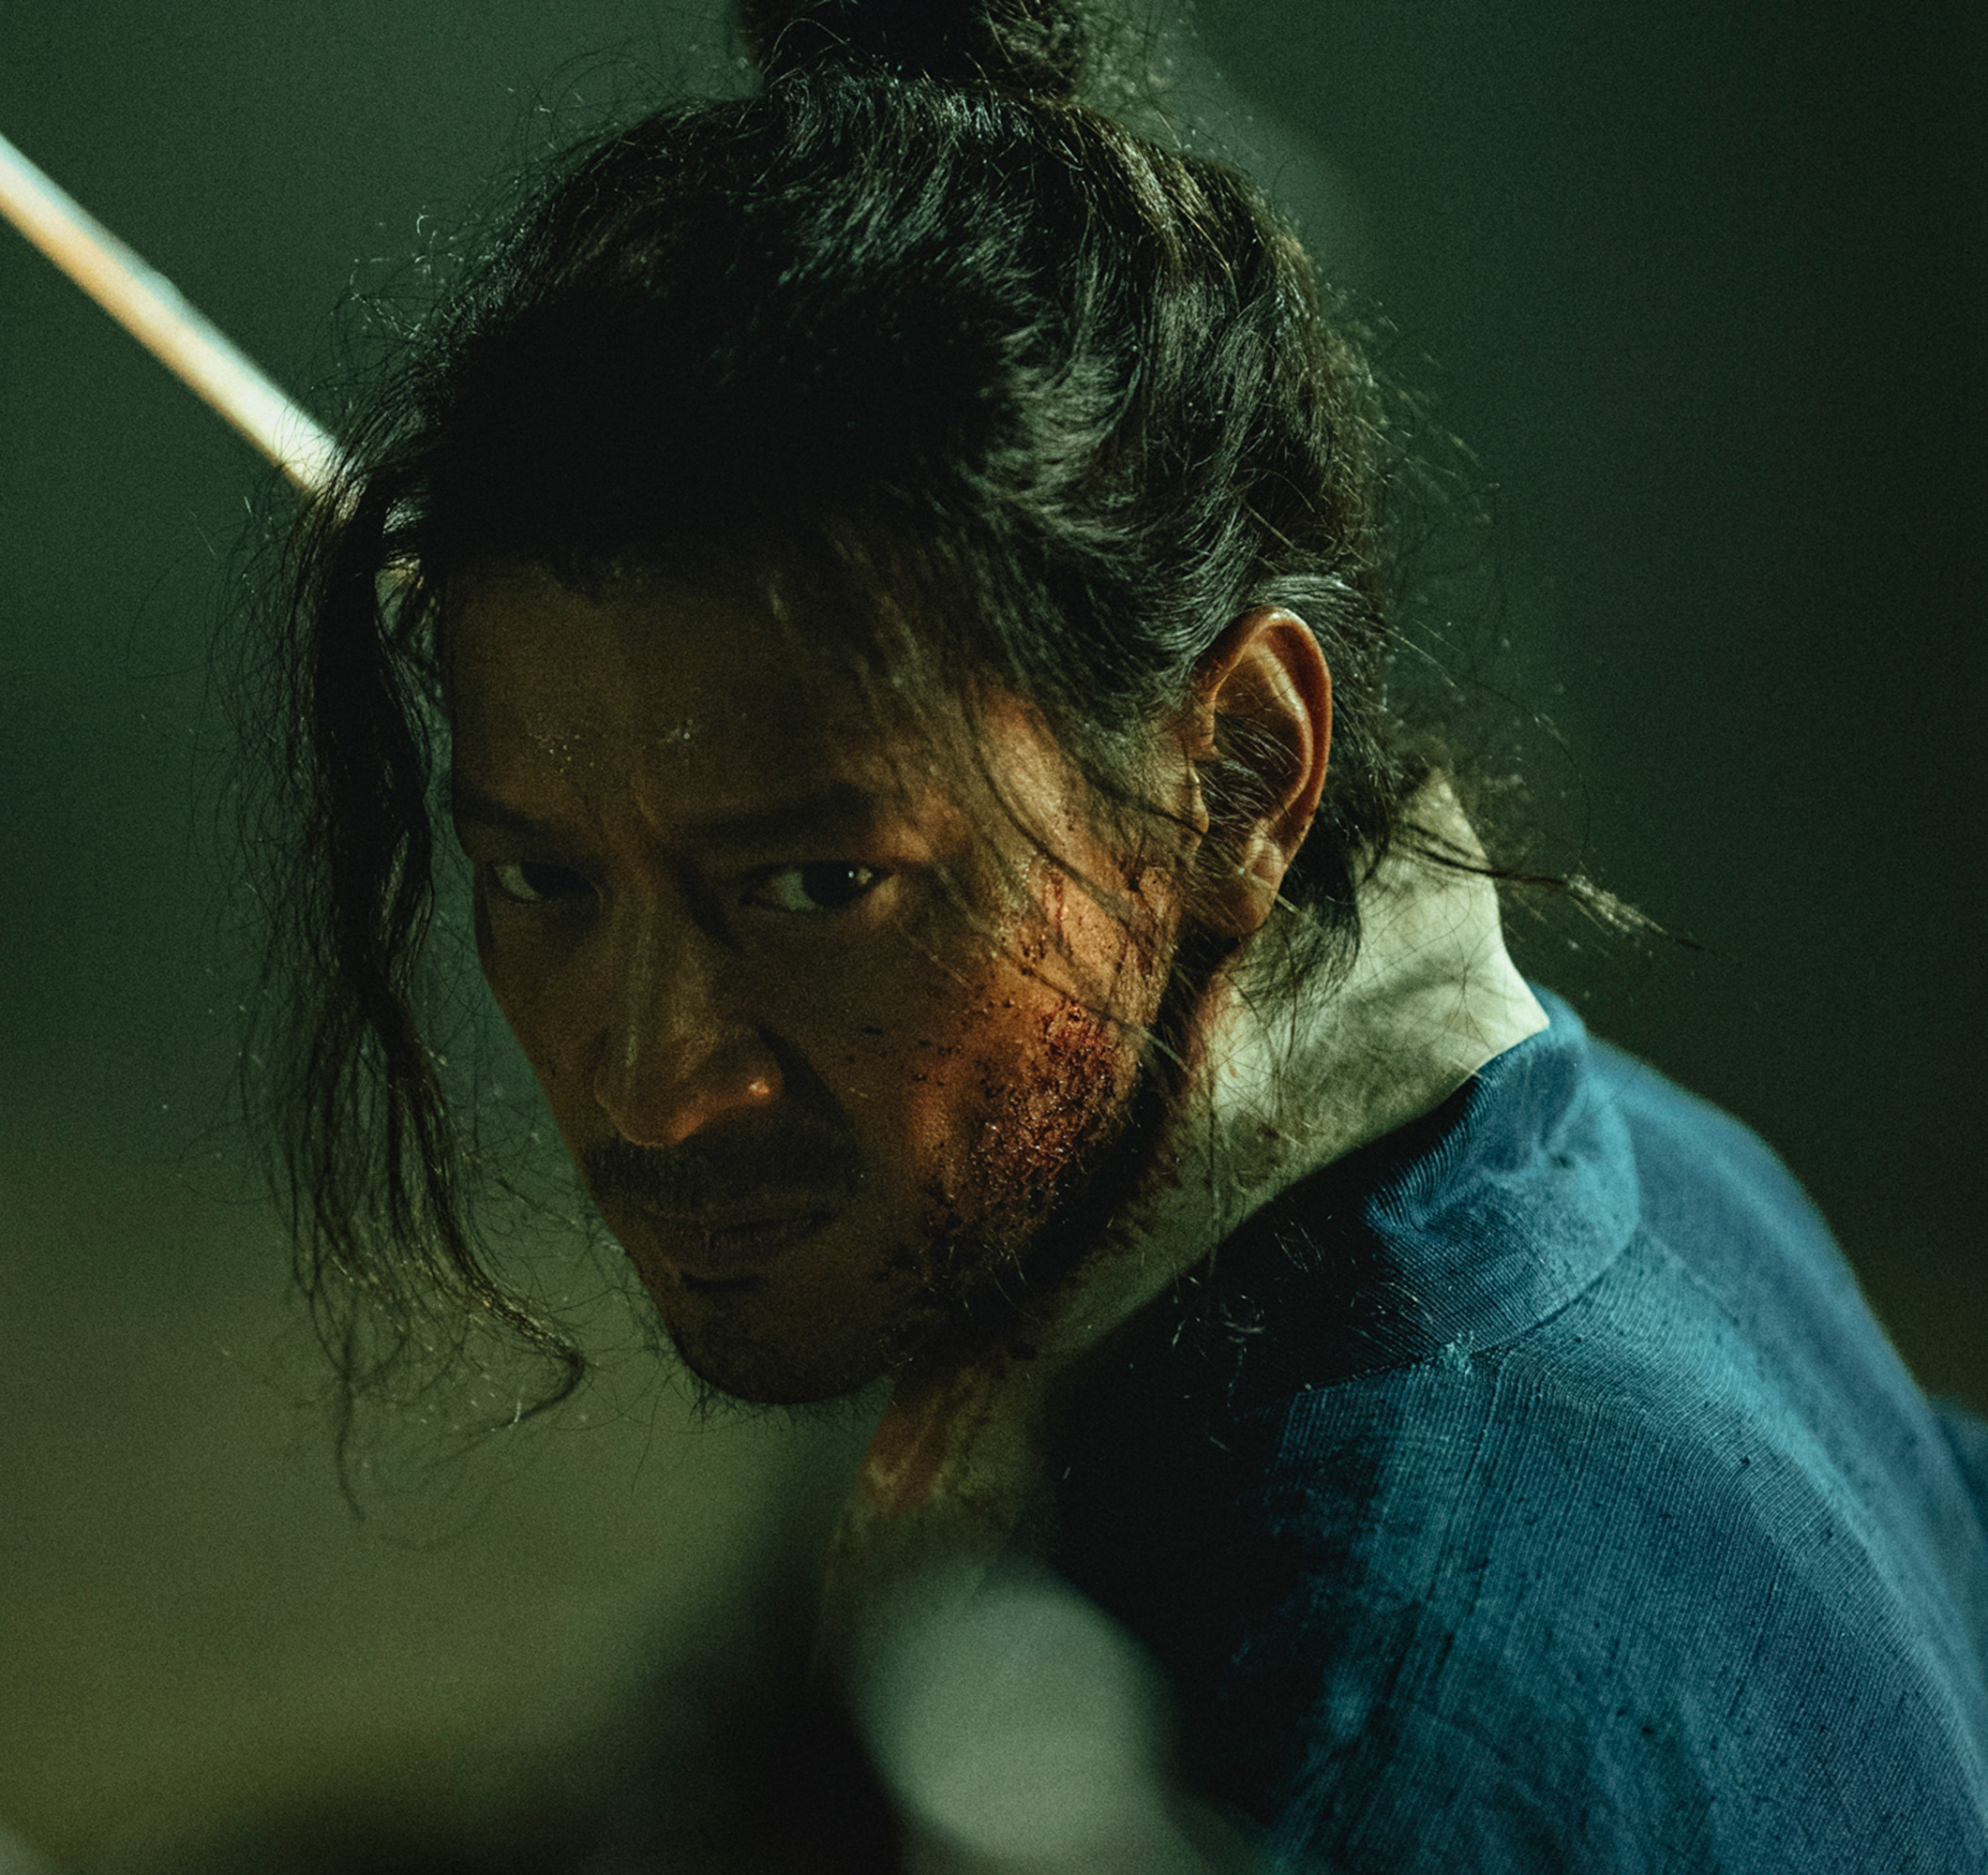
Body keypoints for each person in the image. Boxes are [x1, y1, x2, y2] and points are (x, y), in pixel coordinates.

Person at [254, 0, 1988, 1866]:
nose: (658, 1077)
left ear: (1236, 773)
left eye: (819, 885)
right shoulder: (1618, 1164)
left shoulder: (1318, 1741)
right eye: (546, 880)